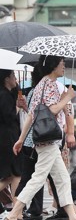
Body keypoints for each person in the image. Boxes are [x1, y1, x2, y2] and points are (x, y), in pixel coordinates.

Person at [7, 56, 76, 220]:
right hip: (49, 140)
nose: (64, 67)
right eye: (62, 64)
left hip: (45, 140)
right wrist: (67, 98)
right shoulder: (50, 84)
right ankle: (13, 213)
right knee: (39, 178)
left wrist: (21, 139)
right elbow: (52, 110)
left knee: (63, 179)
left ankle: (72, 216)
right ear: (53, 66)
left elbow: (32, 114)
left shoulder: (41, 84)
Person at [0, 69, 22, 206]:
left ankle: (16, 208)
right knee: (16, 174)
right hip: (9, 139)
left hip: (7, 138)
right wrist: (18, 107)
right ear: (6, 79)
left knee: (12, 175)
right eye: (13, 76)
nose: (15, 78)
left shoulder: (7, 94)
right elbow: (8, 117)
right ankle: (16, 209)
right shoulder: (4, 95)